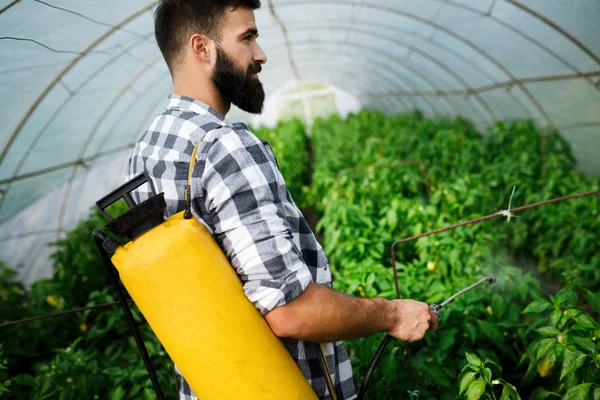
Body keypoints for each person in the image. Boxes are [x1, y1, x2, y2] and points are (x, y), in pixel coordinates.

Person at [126, 1, 438, 399]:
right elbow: (290, 311)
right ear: (201, 48)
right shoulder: (227, 147)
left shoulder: (146, 151)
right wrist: (392, 313)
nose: (261, 55)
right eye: (247, 38)